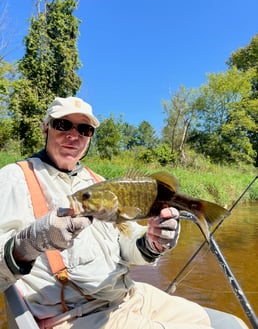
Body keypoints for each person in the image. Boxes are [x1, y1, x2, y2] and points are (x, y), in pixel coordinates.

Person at [0, 97, 248, 329]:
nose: (73, 136)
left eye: (84, 130)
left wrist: (151, 242)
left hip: (130, 295)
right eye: (63, 125)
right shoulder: (13, 178)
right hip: (77, 316)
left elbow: (124, 243)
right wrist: (28, 244)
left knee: (231, 324)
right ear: (46, 128)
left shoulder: (98, 182)